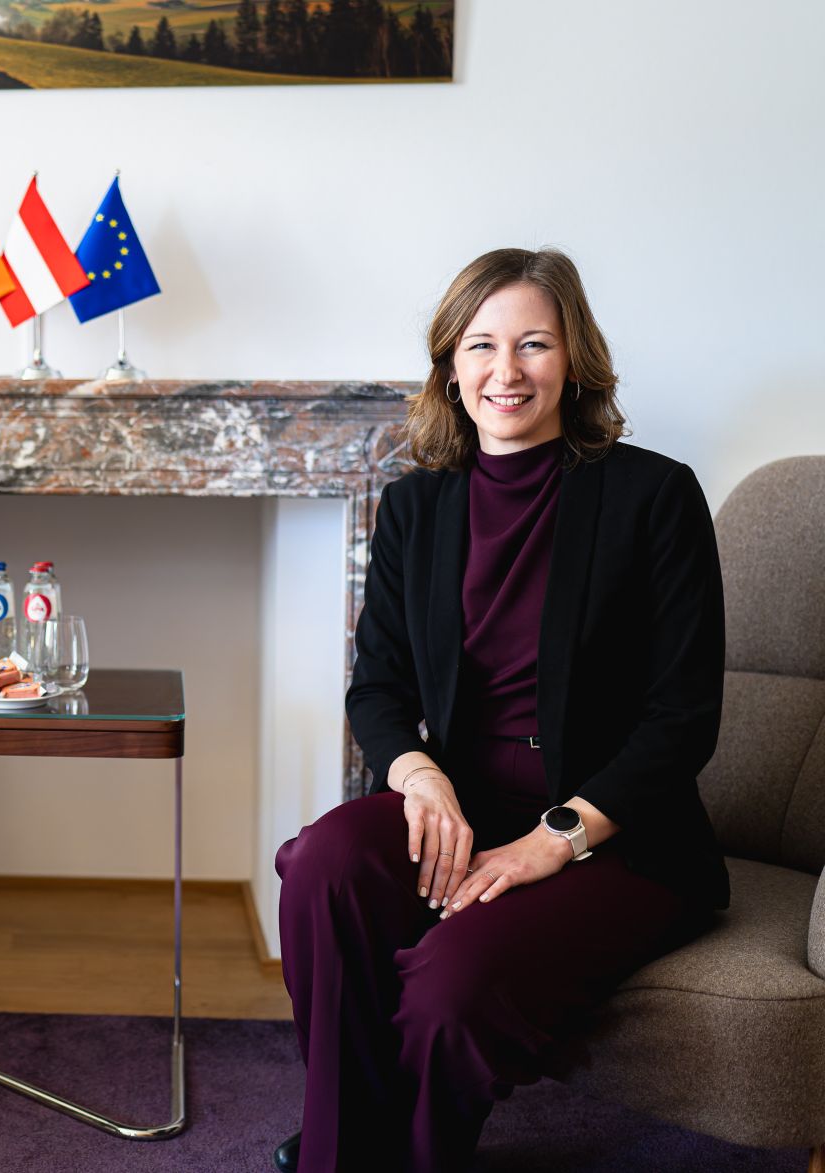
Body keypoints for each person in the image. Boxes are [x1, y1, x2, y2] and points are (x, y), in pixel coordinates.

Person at [271, 248, 728, 1172]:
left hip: (618, 838)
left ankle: (370, 1149)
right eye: (480, 345)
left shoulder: (654, 495)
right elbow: (380, 687)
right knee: (324, 860)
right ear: (451, 367)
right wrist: (423, 779)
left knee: (450, 985)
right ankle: (346, 1148)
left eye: (533, 343)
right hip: (468, 802)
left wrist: (551, 840)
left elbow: (683, 716)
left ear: (574, 360)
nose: (506, 370)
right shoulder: (415, 507)